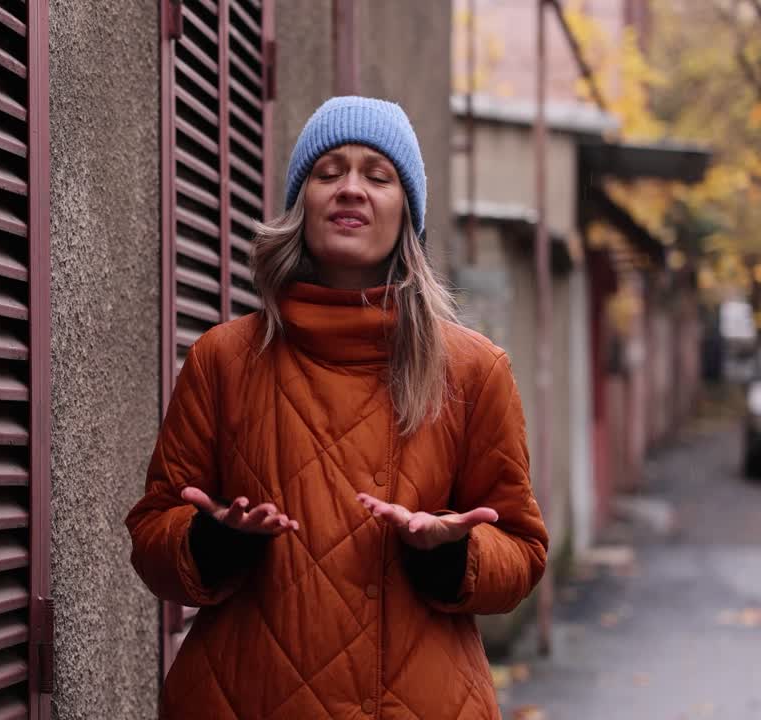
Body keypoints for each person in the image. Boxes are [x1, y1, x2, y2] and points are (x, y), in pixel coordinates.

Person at [126, 96, 549, 719]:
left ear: (407, 212)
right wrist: (216, 543)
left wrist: (449, 554)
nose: (351, 188)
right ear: (302, 202)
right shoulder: (224, 358)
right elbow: (152, 538)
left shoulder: (473, 370)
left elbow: (522, 551)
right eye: (329, 172)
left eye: (378, 176)